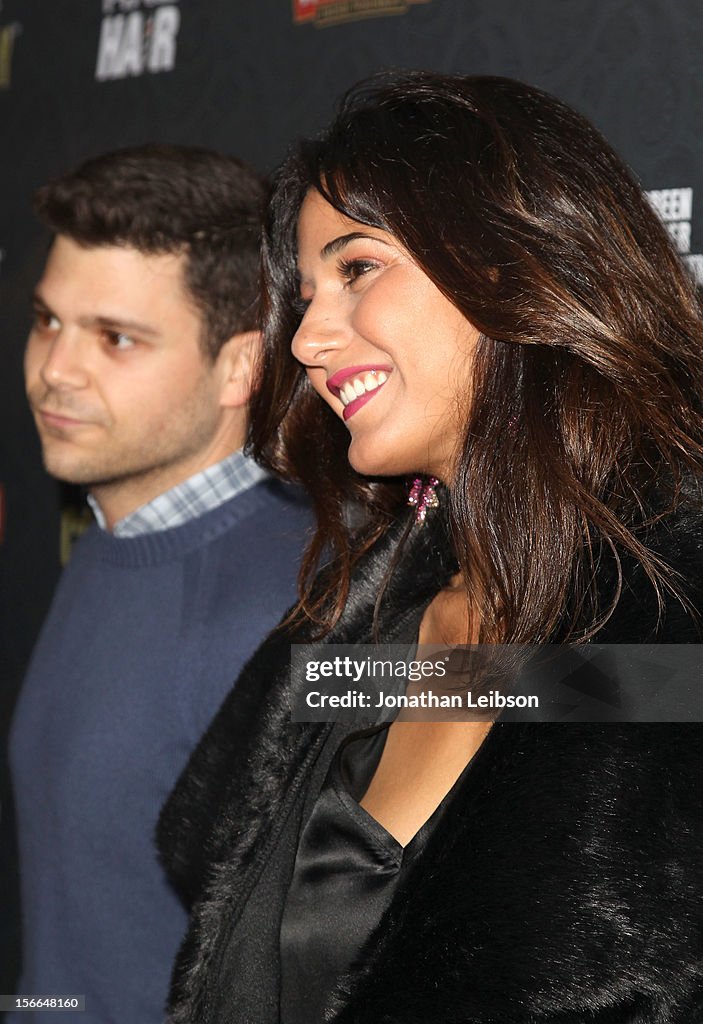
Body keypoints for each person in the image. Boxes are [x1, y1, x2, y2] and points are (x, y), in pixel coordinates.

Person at [157, 75, 703, 1023]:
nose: (310, 339)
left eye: (358, 269)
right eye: (307, 294)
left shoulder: (667, 639)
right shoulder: (367, 637)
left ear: (514, 258)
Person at [9, 145, 311, 1024]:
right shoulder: (118, 530)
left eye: (115, 338)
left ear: (240, 368)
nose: (54, 370)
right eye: (45, 321)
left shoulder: (286, 609)